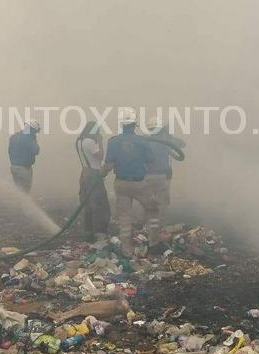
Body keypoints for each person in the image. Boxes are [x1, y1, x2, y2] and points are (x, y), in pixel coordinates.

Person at [101, 107, 159, 255]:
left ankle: (127, 250)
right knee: (152, 208)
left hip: (121, 184)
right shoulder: (142, 141)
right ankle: (153, 242)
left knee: (124, 217)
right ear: (134, 125)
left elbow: (109, 165)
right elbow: (151, 163)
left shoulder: (113, 141)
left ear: (121, 125)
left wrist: (102, 172)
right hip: (140, 183)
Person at [145, 116, 186, 224]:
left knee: (149, 202)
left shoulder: (145, 141)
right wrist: (168, 136)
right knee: (163, 203)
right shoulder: (167, 140)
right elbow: (182, 144)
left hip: (147, 176)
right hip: (163, 177)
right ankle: (160, 225)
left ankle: (148, 224)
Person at [76, 121, 110, 241]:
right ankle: (100, 233)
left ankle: (88, 232)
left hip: (84, 173)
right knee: (99, 204)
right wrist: (100, 142)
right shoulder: (89, 142)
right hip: (93, 174)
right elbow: (100, 156)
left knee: (87, 204)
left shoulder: (79, 141)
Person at [8, 120, 40, 193]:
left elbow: (9, 151)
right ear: (31, 129)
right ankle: (22, 203)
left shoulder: (14, 136)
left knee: (18, 189)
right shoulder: (28, 138)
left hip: (14, 167)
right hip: (24, 169)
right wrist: (34, 139)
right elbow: (36, 150)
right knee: (25, 190)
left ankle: (19, 203)